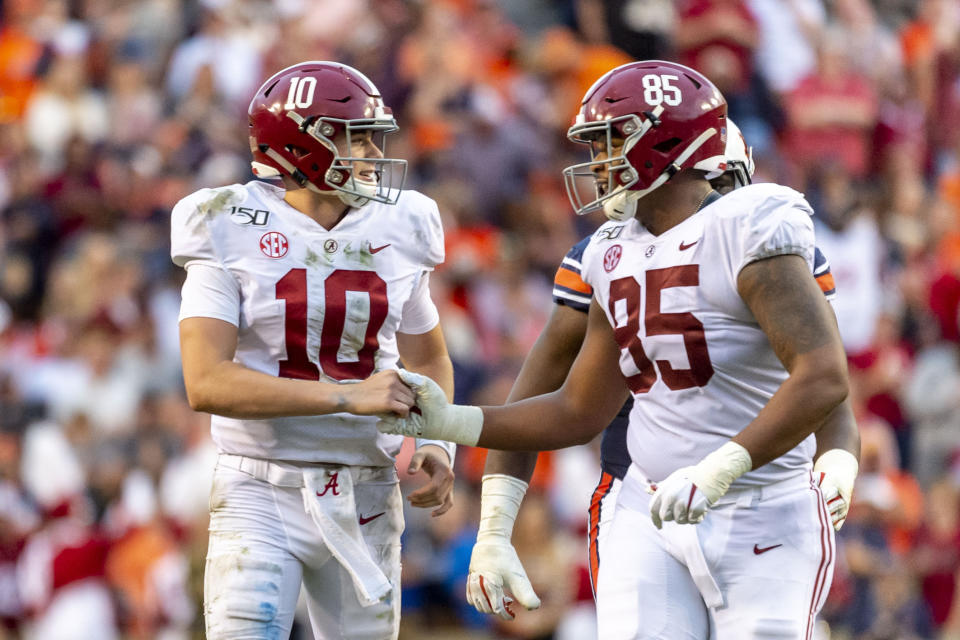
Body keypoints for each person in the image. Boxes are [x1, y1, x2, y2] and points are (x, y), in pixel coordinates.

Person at [380, 61, 853, 638]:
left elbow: (825, 376)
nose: (595, 164)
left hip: (763, 506)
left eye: (608, 143)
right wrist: (452, 422)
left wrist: (728, 466)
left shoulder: (751, 224)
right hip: (647, 508)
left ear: (663, 143)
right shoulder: (610, 250)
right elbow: (577, 409)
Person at [172, 61, 456, 640]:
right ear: (304, 145)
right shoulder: (224, 221)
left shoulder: (405, 222)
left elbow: (427, 358)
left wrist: (437, 441)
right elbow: (206, 381)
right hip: (260, 484)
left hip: (367, 489)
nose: (375, 150)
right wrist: (347, 397)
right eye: (357, 136)